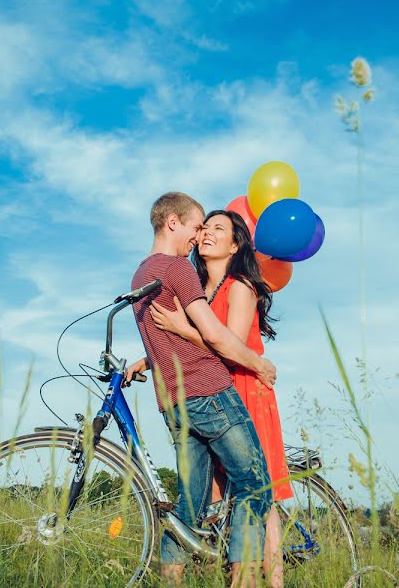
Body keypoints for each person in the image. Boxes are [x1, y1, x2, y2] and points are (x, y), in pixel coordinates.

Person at [125, 192, 275, 587]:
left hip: (172, 403)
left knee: (188, 509)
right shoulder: (178, 269)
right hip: (209, 392)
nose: (198, 236)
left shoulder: (140, 275)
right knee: (256, 485)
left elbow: (166, 343)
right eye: (196, 226)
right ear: (173, 222)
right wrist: (259, 363)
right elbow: (215, 336)